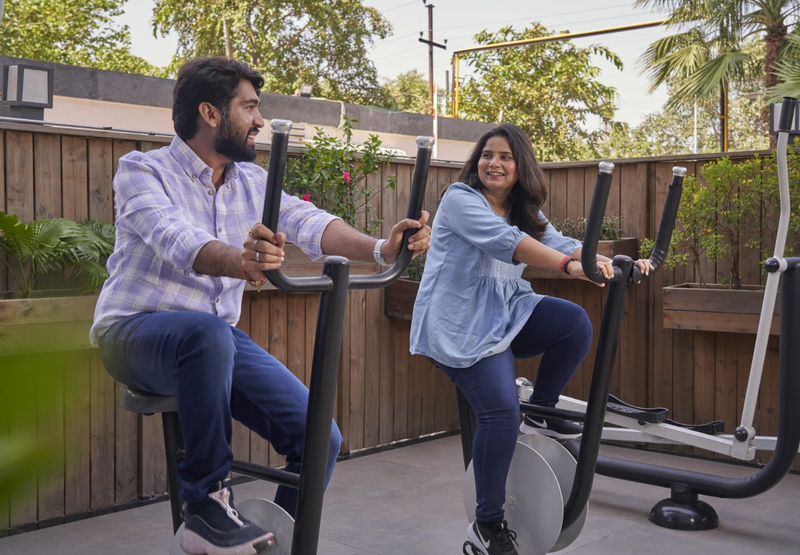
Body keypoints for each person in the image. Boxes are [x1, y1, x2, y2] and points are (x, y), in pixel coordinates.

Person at [89, 57, 431, 555]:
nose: (260, 120)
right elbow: (175, 239)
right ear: (211, 113)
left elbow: (312, 224)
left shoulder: (251, 180)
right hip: (137, 333)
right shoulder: (143, 170)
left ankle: (274, 542)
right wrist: (241, 260)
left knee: (319, 439)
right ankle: (205, 506)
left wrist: (383, 247)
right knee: (203, 334)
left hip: (213, 340)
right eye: (249, 107)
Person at [409, 123, 651, 555]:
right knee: (501, 414)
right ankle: (487, 525)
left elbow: (558, 241)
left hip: (506, 313)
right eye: (488, 155)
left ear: (521, 167)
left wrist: (611, 261)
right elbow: (512, 243)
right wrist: (566, 266)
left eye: (505, 157)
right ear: (476, 161)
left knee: (573, 323)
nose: (494, 163)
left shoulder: (523, 210)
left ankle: (540, 410)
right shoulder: (461, 199)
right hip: (459, 326)